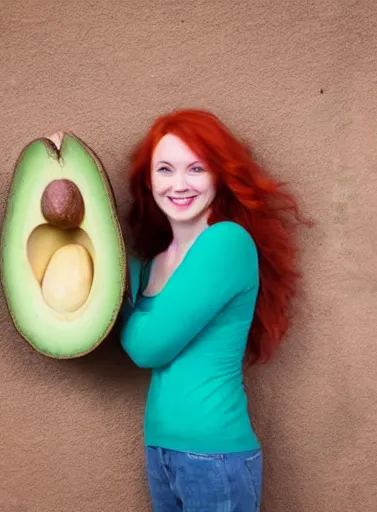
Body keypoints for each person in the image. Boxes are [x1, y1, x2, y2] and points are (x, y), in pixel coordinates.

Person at [118, 109, 306, 512]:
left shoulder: (226, 243)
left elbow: (147, 347)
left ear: (217, 176)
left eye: (196, 168)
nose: (179, 184)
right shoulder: (151, 263)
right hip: (161, 452)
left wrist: (123, 310)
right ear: (148, 181)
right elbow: (103, 281)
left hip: (214, 458)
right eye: (165, 169)